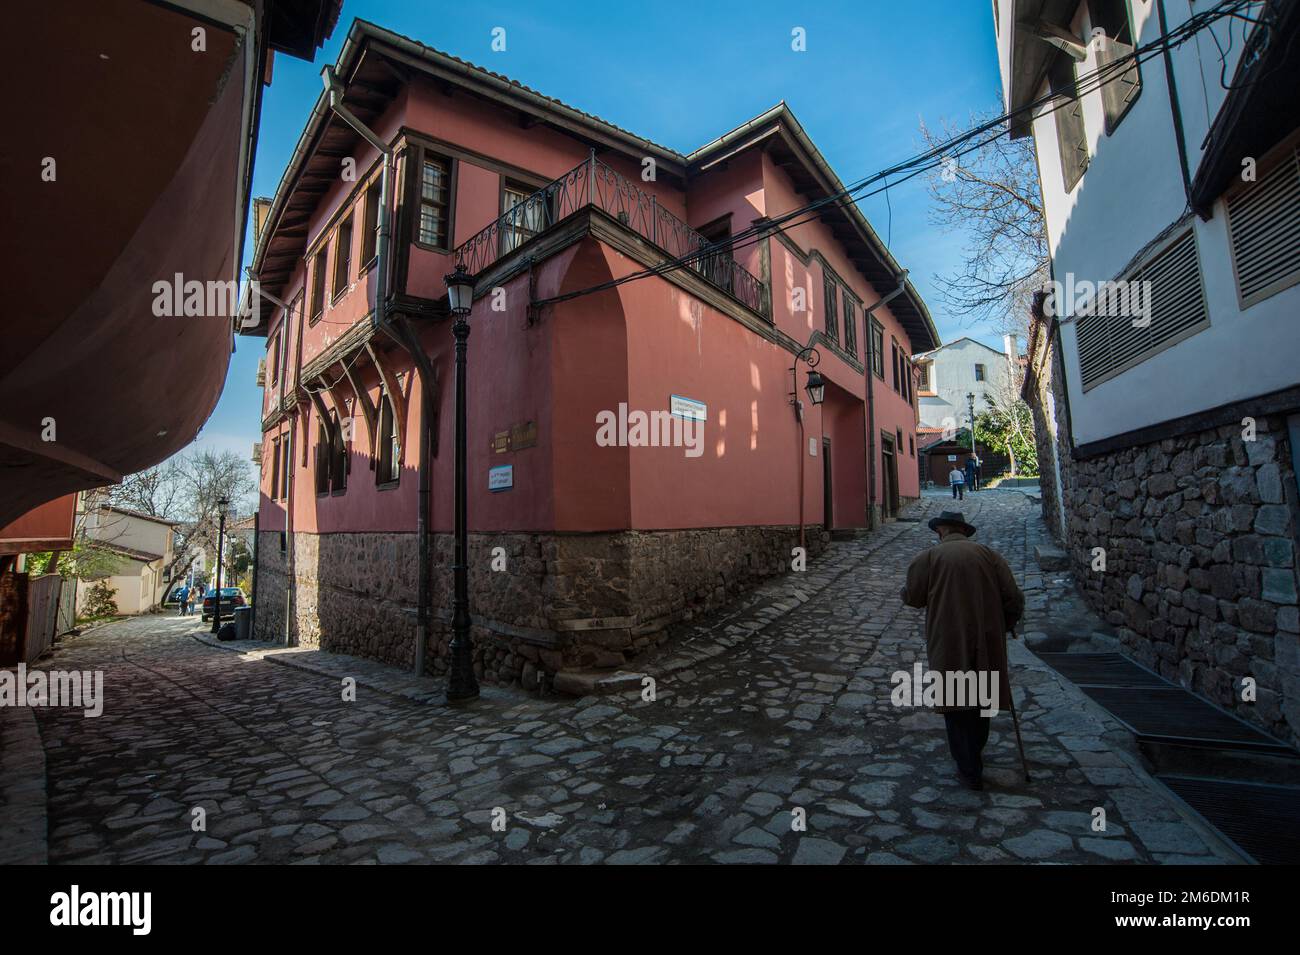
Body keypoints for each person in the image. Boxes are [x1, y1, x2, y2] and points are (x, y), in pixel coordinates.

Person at [900, 511, 1024, 790]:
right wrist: (1008, 622)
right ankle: (975, 754)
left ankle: (967, 766)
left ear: (941, 531)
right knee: (982, 695)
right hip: (986, 636)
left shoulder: (929, 558)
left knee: (955, 699)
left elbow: (913, 597)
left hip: (948, 637)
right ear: (963, 531)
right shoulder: (990, 555)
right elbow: (1013, 597)